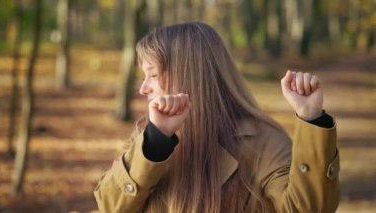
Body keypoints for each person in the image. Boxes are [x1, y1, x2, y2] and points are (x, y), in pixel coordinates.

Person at [94, 22, 339, 213]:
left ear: (187, 75)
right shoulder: (148, 138)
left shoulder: (261, 141)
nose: (143, 88)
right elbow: (109, 206)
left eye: (153, 75)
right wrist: (156, 143)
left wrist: (311, 118)